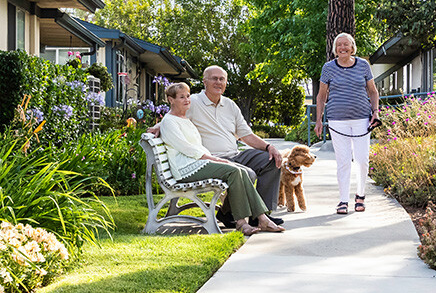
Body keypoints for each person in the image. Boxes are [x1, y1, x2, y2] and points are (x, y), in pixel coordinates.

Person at [149, 65, 283, 228]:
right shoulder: (193, 102)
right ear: (204, 82)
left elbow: (246, 135)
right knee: (246, 174)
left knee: (270, 160)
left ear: (226, 82)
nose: (218, 82)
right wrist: (160, 125)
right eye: (214, 78)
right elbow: (176, 115)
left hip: (235, 154)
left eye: (222, 79)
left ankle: (261, 216)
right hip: (210, 158)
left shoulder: (230, 105)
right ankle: (230, 214)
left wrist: (269, 147)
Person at [314, 33, 380, 215]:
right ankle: (343, 200)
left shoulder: (363, 65)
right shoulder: (328, 68)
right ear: (335, 49)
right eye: (339, 45)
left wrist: (375, 112)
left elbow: (373, 92)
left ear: (352, 47)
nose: (342, 47)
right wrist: (319, 120)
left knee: (362, 160)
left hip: (361, 119)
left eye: (346, 44)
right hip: (337, 120)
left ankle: (360, 196)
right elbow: (321, 96)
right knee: (343, 162)